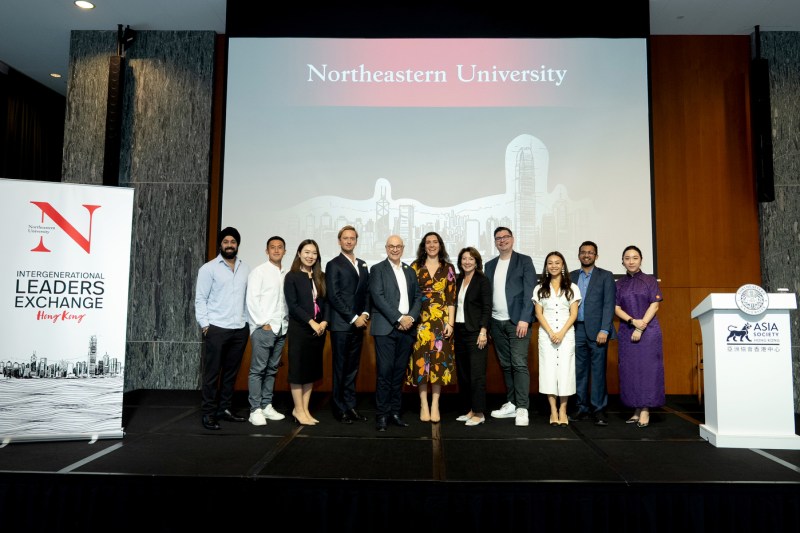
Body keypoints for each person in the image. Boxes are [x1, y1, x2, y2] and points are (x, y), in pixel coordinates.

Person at [195, 227, 250, 430]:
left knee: (230, 374)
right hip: (217, 328)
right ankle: (209, 413)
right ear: (220, 244)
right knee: (212, 374)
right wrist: (206, 325)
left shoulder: (245, 268)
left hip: (239, 329)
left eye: (233, 241)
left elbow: (246, 299)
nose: (229, 245)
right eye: (225, 241)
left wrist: (247, 325)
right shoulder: (208, 269)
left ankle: (224, 409)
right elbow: (200, 299)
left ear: (237, 244)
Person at [369, 235, 422, 432]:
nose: (395, 249)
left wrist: (411, 318)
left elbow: (418, 297)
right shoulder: (377, 269)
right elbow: (378, 297)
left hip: (407, 330)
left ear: (403, 247)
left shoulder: (409, 270)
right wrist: (400, 318)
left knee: (399, 373)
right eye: (391, 246)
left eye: (398, 246)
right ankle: (382, 415)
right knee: (385, 373)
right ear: (386, 247)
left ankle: (395, 412)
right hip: (386, 329)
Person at [484, 227, 537, 426]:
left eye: (506, 237)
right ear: (495, 242)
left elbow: (530, 291)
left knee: (519, 364)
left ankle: (523, 408)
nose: (502, 240)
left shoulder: (524, 261)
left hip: (518, 323)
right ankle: (513, 403)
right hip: (496, 323)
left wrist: (525, 318)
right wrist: (487, 325)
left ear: (513, 239)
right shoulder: (489, 265)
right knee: (506, 365)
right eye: (498, 238)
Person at [406, 231, 456, 423]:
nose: (432, 245)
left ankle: (435, 403)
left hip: (441, 322)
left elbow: (451, 299)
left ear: (440, 245)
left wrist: (450, 323)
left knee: (438, 362)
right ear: (423, 246)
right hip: (419, 322)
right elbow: (409, 295)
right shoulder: (414, 267)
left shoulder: (448, 268)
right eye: (428, 242)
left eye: (435, 242)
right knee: (421, 363)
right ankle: (423, 403)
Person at [614, 245, 664, 428]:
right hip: (627, 332)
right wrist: (632, 322)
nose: (631, 261)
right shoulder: (619, 284)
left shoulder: (650, 281)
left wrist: (641, 326)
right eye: (627, 258)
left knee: (648, 370)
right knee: (630, 370)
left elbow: (655, 305)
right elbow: (616, 308)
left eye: (635, 258)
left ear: (641, 260)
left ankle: (645, 410)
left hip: (649, 332)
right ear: (622, 261)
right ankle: (636, 408)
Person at [325, 225, 371, 424]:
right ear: (339, 241)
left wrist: (366, 313)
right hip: (342, 325)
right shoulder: (333, 264)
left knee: (352, 369)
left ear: (356, 241)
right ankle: (338, 408)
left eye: (352, 238)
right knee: (340, 368)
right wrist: (353, 317)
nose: (349, 241)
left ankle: (350, 406)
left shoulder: (362, 264)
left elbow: (367, 292)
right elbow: (334, 296)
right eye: (345, 238)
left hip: (359, 325)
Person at [569, 241, 616, 426]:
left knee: (598, 373)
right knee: (579, 372)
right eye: (583, 252)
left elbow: (608, 304)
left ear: (596, 256)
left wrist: (605, 329)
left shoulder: (606, 276)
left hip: (598, 332)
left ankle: (599, 410)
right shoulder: (571, 276)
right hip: (576, 330)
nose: (586, 255)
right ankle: (581, 408)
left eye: (590, 252)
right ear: (579, 255)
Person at [533, 251, 581, 427]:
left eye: (557, 263)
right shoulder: (539, 288)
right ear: (546, 266)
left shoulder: (572, 287)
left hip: (566, 335)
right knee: (548, 372)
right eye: (550, 263)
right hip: (546, 336)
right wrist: (551, 331)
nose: (553, 266)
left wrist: (561, 332)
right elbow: (539, 313)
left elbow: (574, 313)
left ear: (563, 266)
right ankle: (553, 410)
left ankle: (563, 410)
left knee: (566, 372)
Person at [284, 239, 328, 426]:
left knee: (311, 371)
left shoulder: (321, 276)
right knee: (298, 372)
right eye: (307, 252)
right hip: (300, 329)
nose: (310, 256)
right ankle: (298, 410)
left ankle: (305, 410)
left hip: (319, 331)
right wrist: (311, 323)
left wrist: (324, 322)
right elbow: (293, 306)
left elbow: (327, 302)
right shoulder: (292, 276)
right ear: (299, 253)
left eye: (314, 253)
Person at [245, 236, 289, 426]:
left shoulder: (287, 273)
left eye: (280, 247)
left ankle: (266, 405)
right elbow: (251, 300)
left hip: (282, 328)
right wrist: (264, 323)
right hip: (265, 328)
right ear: (267, 251)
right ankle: (254, 410)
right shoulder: (259, 272)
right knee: (258, 370)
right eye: (273, 247)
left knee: (271, 370)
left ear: (285, 251)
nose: (276, 250)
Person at [453, 247, 492, 427]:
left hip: (476, 333)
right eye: (464, 259)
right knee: (464, 374)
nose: (467, 262)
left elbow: (486, 307)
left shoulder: (482, 280)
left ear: (476, 261)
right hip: (459, 332)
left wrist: (483, 331)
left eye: (471, 259)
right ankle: (469, 409)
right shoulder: (459, 279)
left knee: (477, 375)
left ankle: (479, 412)